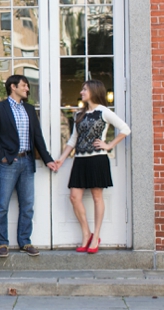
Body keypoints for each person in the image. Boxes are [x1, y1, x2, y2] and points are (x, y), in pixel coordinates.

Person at [0, 75, 59, 258]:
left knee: (27, 205)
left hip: (27, 162)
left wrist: (47, 158)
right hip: (8, 163)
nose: (27, 89)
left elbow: (37, 137)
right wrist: (2, 157)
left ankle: (25, 242)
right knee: (2, 205)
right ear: (13, 87)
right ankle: (2, 243)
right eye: (24, 86)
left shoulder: (29, 109)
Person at [54, 79, 131, 254]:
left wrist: (109, 145)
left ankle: (96, 236)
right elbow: (73, 140)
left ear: (94, 91)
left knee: (97, 197)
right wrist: (62, 159)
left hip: (97, 159)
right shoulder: (79, 115)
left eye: (85, 89)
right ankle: (86, 233)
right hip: (80, 160)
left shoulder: (103, 111)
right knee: (74, 197)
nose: (81, 92)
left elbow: (125, 129)